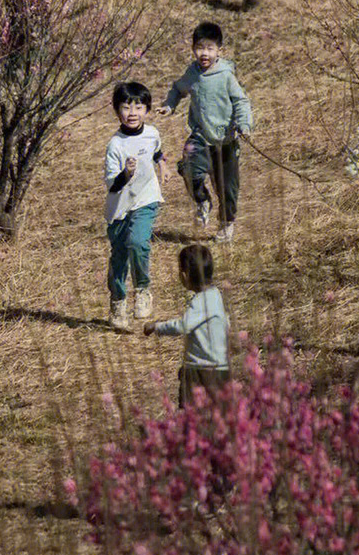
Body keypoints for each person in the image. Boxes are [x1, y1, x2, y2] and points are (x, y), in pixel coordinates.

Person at [159, 21, 253, 244]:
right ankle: (202, 200)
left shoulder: (226, 75)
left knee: (227, 188)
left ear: (219, 50)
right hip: (200, 136)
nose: (204, 53)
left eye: (210, 48)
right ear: (193, 48)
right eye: (200, 47)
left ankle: (226, 223)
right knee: (189, 167)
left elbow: (241, 101)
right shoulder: (192, 74)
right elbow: (178, 89)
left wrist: (244, 124)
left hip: (226, 139)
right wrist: (170, 104)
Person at [104, 81, 168, 331]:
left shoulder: (152, 132)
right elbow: (112, 184)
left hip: (146, 199)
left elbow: (156, 151)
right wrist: (126, 174)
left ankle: (142, 289)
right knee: (119, 257)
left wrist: (163, 164)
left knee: (138, 242)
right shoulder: (115, 145)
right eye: (126, 107)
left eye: (139, 107)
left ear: (147, 110)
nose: (133, 113)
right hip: (119, 207)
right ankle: (118, 301)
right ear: (117, 111)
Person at [143, 243, 230, 407]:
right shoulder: (216, 295)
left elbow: (183, 326)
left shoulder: (201, 301)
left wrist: (157, 327)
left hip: (199, 369)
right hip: (219, 367)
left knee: (189, 412)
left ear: (185, 275)